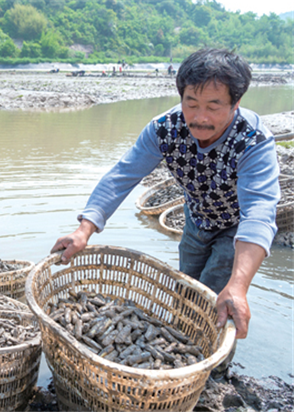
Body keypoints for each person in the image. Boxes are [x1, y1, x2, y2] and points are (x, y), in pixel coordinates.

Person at [51, 49, 280, 370]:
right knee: (185, 291)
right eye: (191, 103)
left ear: (235, 103)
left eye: (214, 106)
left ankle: (214, 373)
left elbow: (258, 214)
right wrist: (83, 230)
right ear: (181, 97)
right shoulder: (165, 129)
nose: (200, 116)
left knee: (218, 294)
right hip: (197, 217)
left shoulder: (253, 141)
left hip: (237, 227)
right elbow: (122, 176)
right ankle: (180, 359)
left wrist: (239, 286)